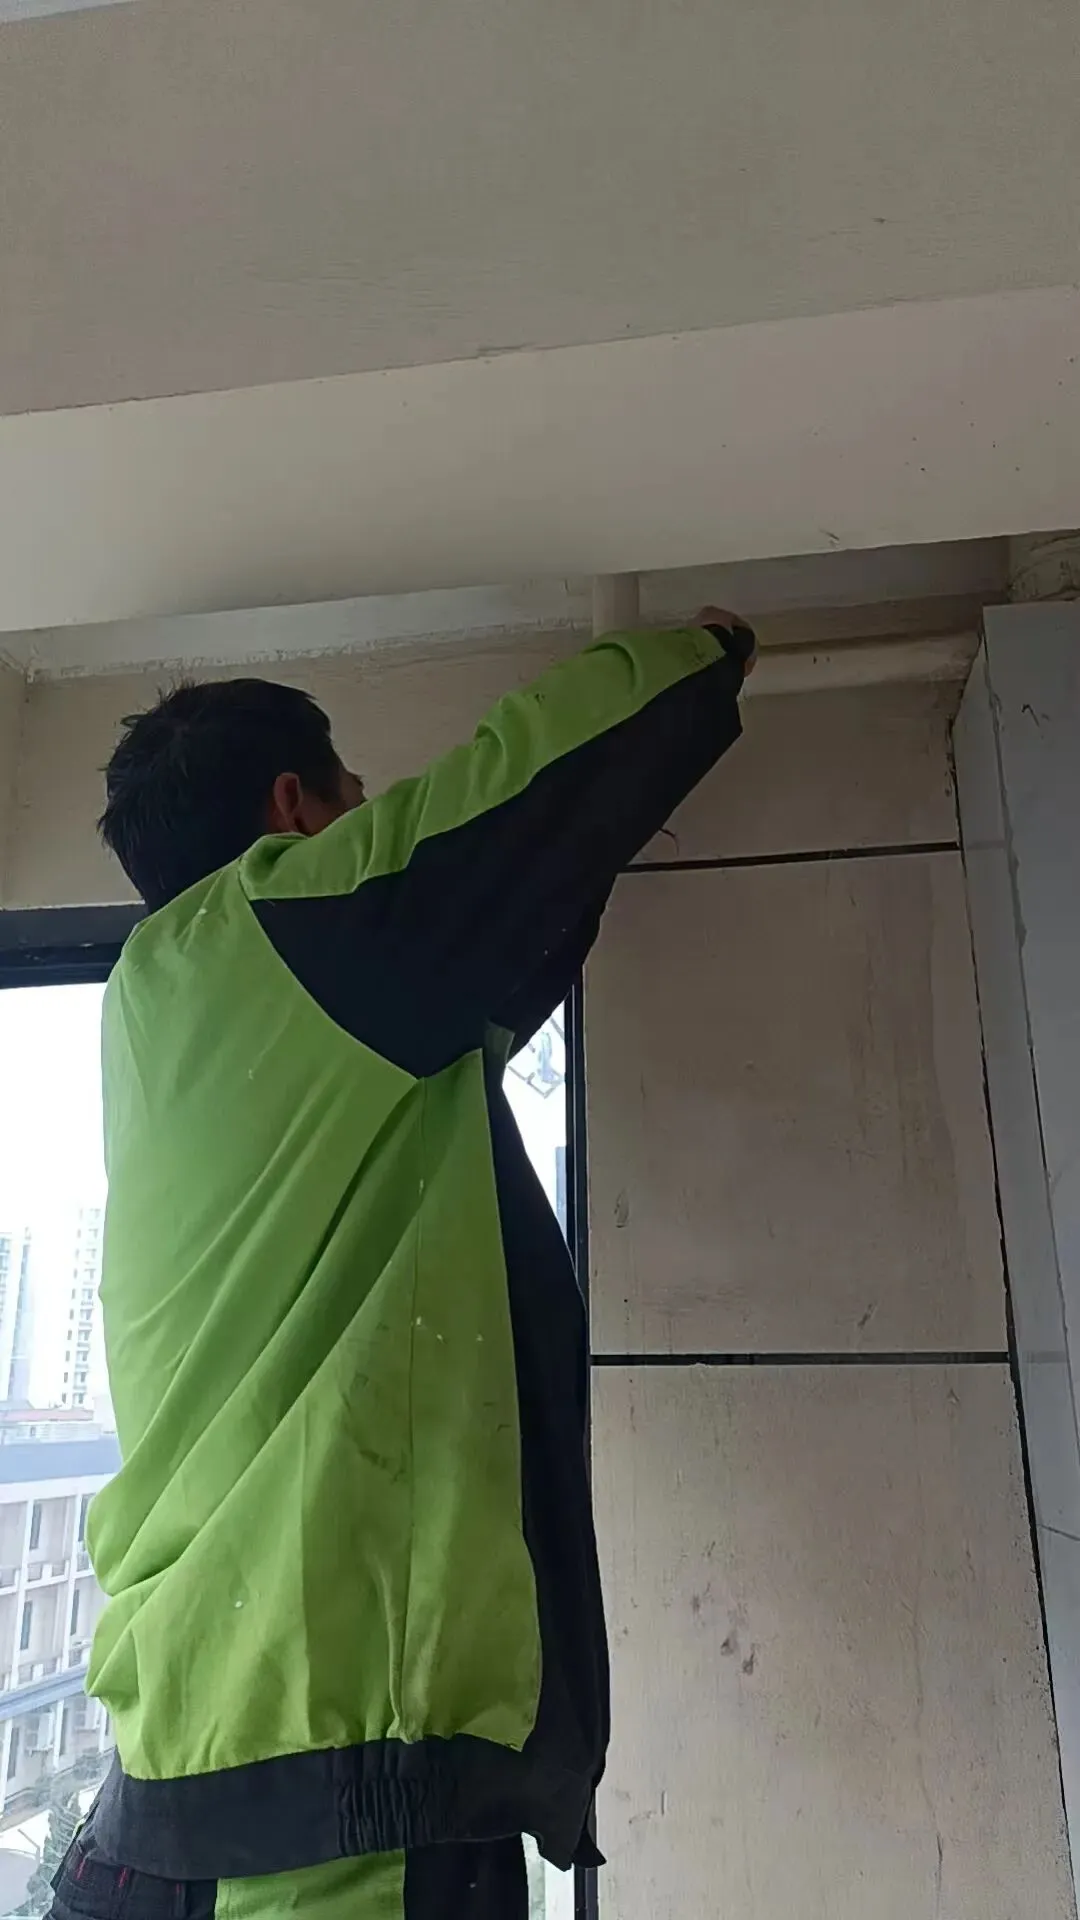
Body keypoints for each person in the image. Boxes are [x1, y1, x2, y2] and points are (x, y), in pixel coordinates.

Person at [48, 610, 755, 1920]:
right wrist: (697, 651)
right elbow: (518, 794)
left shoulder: (185, 1009)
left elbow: (495, 940)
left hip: (192, 1783)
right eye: (356, 797)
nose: (373, 821)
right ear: (294, 810)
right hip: (325, 1799)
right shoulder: (281, 925)